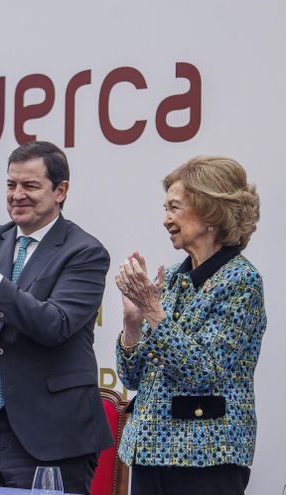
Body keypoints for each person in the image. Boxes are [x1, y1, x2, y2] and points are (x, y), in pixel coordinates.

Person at [0, 141, 113, 494]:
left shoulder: (85, 251)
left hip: (53, 433)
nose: (17, 195)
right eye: (11, 184)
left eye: (30, 186)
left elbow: (55, 325)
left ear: (60, 191)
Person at [114, 156, 265, 495]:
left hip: (206, 459)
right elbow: (132, 376)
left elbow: (204, 370)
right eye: (165, 208)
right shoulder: (171, 280)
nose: (165, 219)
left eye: (174, 207)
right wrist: (132, 321)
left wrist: (153, 311)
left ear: (211, 213)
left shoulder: (242, 281)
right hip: (149, 454)